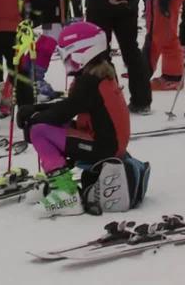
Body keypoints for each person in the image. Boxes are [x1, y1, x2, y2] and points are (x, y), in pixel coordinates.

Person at [17, 22, 130, 217]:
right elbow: (71, 105)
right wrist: (35, 110)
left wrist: (34, 117)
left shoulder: (89, 81)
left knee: (39, 131)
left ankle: (66, 194)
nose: (66, 60)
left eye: (67, 54)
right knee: (46, 126)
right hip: (106, 141)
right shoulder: (100, 72)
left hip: (105, 147)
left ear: (81, 52)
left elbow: (64, 111)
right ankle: (58, 183)